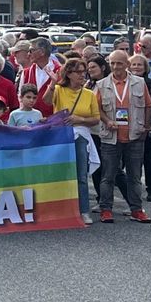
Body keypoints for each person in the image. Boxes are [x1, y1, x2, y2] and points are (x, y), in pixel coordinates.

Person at [94, 50, 151, 224]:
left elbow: (148, 105)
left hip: (134, 135)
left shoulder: (139, 82)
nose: (116, 67)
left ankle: (136, 210)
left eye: (119, 63)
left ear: (127, 64)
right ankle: (106, 209)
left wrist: (146, 127)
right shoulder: (102, 84)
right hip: (111, 136)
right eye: (112, 63)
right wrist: (107, 120)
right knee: (108, 176)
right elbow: (97, 109)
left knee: (134, 176)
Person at [44, 58, 100, 225]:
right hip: (61, 137)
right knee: (59, 173)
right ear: (68, 74)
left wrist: (80, 119)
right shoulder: (60, 90)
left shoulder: (89, 94)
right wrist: (53, 83)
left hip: (80, 136)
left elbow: (96, 119)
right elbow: (47, 101)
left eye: (84, 72)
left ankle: (83, 210)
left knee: (81, 175)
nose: (82, 75)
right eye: (78, 72)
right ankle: (57, 209)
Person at [129, 53, 151, 203]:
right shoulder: (125, 83)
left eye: (139, 64)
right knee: (130, 161)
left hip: (148, 126)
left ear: (145, 67)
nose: (136, 67)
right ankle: (131, 190)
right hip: (129, 125)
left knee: (149, 158)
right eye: (133, 64)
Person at [21, 38, 59, 117]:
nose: (28, 54)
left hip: (53, 122)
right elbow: (20, 97)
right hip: (31, 121)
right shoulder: (26, 72)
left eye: (31, 50)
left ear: (42, 52)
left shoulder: (60, 71)